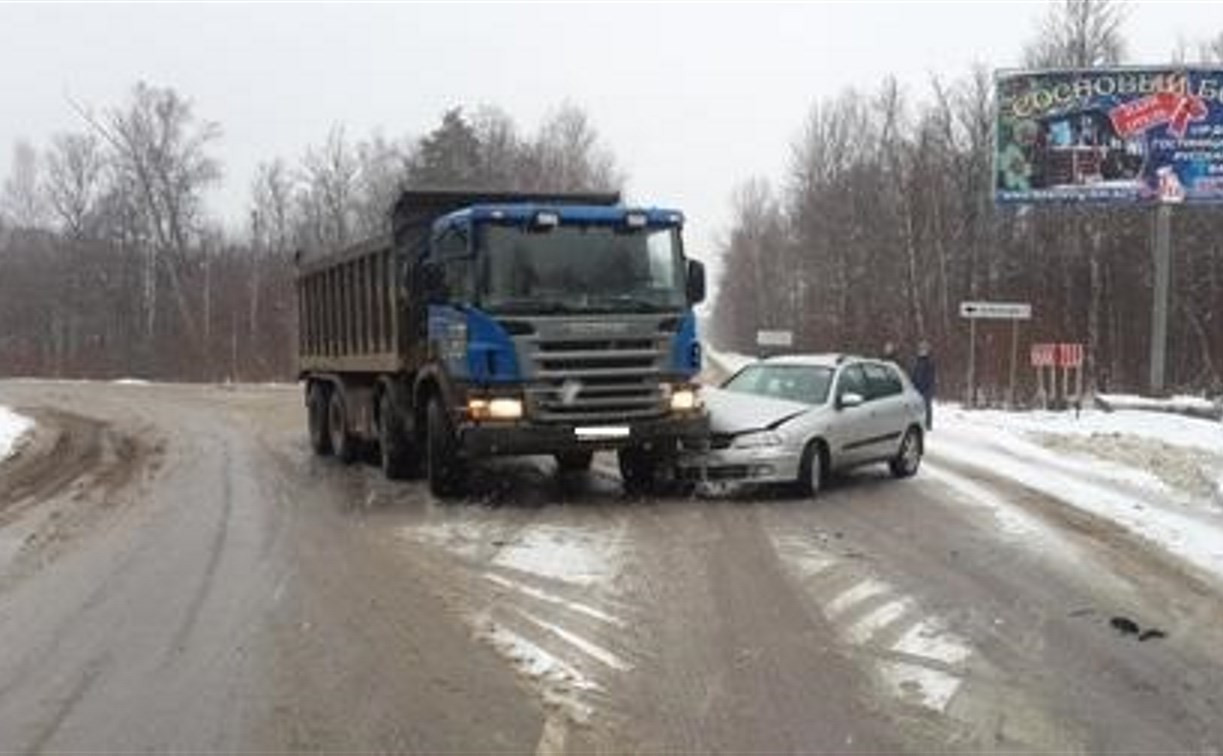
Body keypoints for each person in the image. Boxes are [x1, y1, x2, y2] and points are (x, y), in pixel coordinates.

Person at [910, 340, 936, 431]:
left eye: (924, 349)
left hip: (926, 389)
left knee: (927, 407)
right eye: (921, 349)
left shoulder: (930, 362)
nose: (922, 351)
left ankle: (928, 424)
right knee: (916, 406)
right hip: (916, 388)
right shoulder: (916, 361)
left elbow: (931, 377)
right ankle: (918, 423)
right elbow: (913, 373)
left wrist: (929, 389)